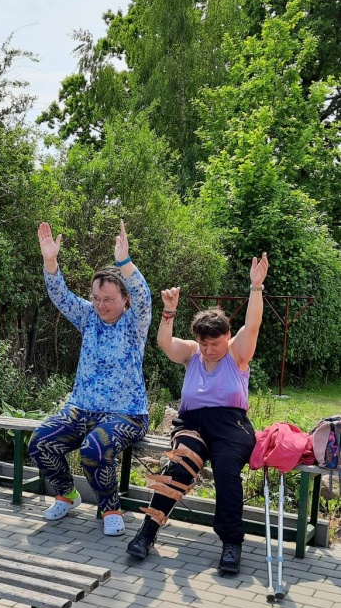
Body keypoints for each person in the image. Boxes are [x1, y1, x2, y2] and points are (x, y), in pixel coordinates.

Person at [127, 254, 269, 573]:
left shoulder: (237, 354)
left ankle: (231, 543)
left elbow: (253, 325)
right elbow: (165, 343)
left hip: (231, 427)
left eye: (214, 343)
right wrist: (169, 311)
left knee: (227, 472)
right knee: (181, 463)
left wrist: (256, 287)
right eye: (204, 343)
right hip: (192, 425)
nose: (209, 350)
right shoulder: (192, 354)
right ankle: (147, 531)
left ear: (227, 336)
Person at [29, 220, 151, 536]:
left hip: (126, 413)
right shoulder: (88, 316)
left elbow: (144, 295)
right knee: (40, 442)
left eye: (108, 299)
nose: (100, 305)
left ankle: (110, 508)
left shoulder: (135, 323)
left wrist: (124, 262)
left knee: (94, 449)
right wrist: (50, 261)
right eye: (96, 298)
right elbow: (60, 295)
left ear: (124, 299)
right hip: (81, 408)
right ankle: (66, 494)